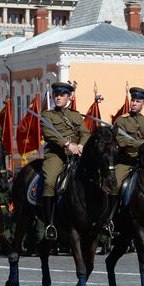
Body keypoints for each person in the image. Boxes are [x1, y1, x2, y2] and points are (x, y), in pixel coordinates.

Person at [40, 82, 90, 240]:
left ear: (69, 97)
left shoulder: (75, 115)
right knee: (50, 181)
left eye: (62, 95)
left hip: (77, 153)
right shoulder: (48, 115)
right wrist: (68, 144)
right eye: (56, 94)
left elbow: (85, 132)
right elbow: (49, 134)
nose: (58, 97)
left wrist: (81, 145)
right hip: (56, 154)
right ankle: (49, 224)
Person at [114, 87, 144, 193]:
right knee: (115, 185)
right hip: (126, 162)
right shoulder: (121, 120)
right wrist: (138, 144)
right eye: (133, 100)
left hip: (143, 163)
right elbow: (120, 140)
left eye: (138, 101)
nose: (134, 103)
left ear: (143, 104)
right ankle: (113, 209)